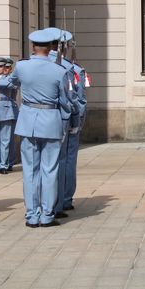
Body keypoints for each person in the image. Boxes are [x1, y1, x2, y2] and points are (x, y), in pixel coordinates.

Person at [0, 28, 77, 228]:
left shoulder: (22, 67)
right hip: (51, 120)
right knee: (49, 169)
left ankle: (32, 215)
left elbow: (9, 83)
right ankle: (47, 214)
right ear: (51, 47)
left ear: (33, 47)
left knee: (30, 170)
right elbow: (66, 102)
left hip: (28, 121)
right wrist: (67, 121)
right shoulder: (60, 70)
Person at [46, 29, 80, 219]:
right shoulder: (69, 69)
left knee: (38, 166)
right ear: (64, 47)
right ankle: (61, 201)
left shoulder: (29, 66)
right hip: (62, 120)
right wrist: (76, 121)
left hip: (35, 122)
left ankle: (40, 206)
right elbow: (76, 99)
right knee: (64, 160)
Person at [63, 43, 89, 211]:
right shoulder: (74, 70)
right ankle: (65, 199)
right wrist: (78, 123)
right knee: (68, 160)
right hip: (68, 122)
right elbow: (80, 101)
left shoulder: (27, 66)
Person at [3, 58, 19, 171]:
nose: (5, 69)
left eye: (8, 67)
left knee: (10, 139)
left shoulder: (12, 79)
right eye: (5, 67)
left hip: (11, 110)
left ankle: (10, 162)